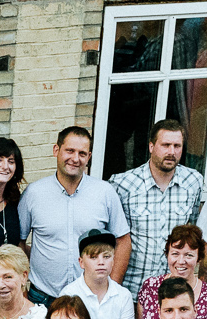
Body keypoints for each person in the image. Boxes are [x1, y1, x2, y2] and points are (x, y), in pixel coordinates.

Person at [20, 126, 131, 300]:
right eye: (69, 151)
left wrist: (112, 287)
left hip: (92, 298)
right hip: (43, 297)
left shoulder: (104, 192)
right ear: (56, 150)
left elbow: (123, 241)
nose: (75, 159)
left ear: (89, 157)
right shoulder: (33, 194)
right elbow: (18, 242)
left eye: (82, 153)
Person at [110, 118, 205, 293]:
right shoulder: (123, 184)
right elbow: (114, 239)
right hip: (133, 288)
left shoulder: (193, 181)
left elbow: (191, 228)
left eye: (177, 146)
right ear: (151, 146)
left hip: (174, 290)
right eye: (165, 145)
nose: (171, 152)